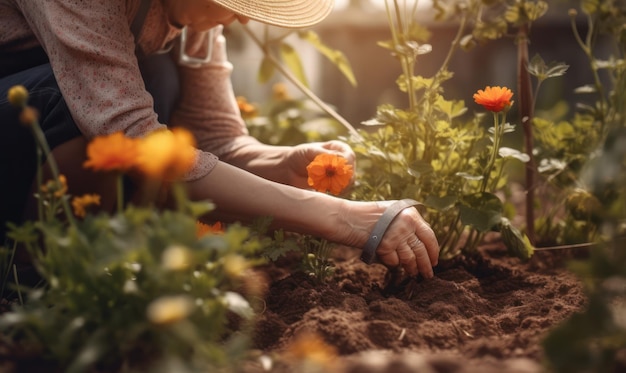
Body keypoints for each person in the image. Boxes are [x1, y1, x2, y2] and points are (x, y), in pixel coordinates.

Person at [0, 0, 439, 279]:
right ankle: (32, 280)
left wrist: (284, 163)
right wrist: (341, 217)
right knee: (83, 106)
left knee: (157, 77)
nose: (246, 15)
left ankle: (105, 267)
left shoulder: (196, 21)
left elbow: (218, 138)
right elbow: (131, 140)